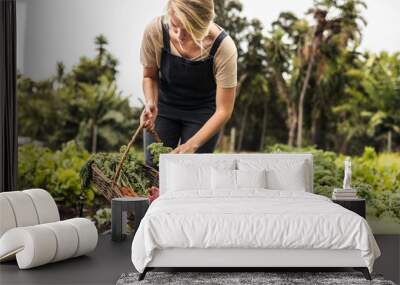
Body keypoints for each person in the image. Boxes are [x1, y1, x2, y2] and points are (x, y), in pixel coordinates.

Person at [140, 0, 237, 167]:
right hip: (164, 108)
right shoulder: (155, 30)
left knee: (192, 169)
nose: (178, 35)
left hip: (203, 114)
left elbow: (224, 110)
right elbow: (150, 76)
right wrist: (151, 102)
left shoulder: (224, 48)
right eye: (174, 25)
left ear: (203, 25)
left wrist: (192, 145)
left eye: (188, 30)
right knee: (154, 167)